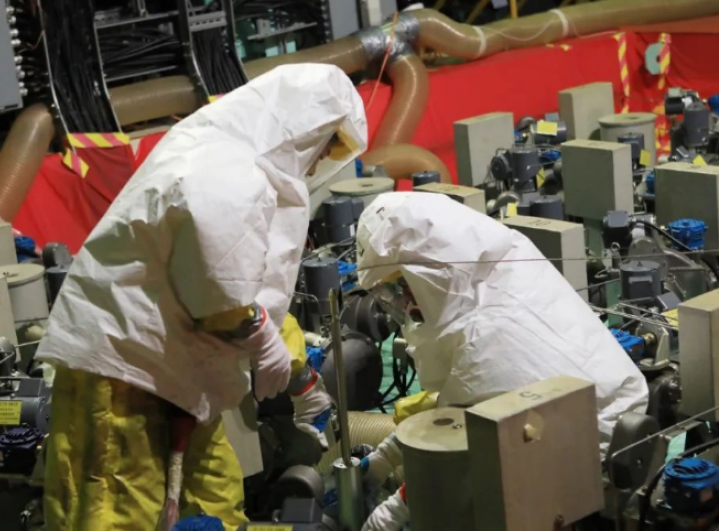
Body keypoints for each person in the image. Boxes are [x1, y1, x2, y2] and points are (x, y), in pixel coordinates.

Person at [35, 64, 367, 531]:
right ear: (304, 126)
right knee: (114, 509)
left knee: (215, 498)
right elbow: (219, 292)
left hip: (180, 375)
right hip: (125, 371)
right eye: (327, 144)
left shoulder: (238, 161)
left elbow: (246, 295)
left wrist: (296, 374)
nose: (320, 161)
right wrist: (264, 343)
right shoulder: (225, 167)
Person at [353, 192, 649, 531]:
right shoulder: (493, 267)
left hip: (584, 457)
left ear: (427, 273)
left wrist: (390, 514)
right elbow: (460, 402)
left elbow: (465, 447)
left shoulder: (484, 332)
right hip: (586, 422)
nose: (403, 302)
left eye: (402, 287)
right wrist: (382, 460)